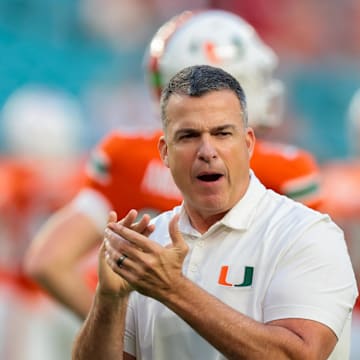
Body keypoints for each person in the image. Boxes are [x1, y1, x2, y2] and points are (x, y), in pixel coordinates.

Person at [24, 9, 322, 321]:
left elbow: (47, 261)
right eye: (253, 77)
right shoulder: (284, 171)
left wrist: (122, 338)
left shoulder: (129, 156)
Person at [72, 64, 357, 360]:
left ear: (247, 144)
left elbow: (299, 356)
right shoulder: (148, 247)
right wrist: (108, 300)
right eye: (188, 136)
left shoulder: (306, 234)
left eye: (222, 133)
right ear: (165, 152)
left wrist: (172, 288)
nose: (207, 150)